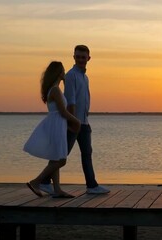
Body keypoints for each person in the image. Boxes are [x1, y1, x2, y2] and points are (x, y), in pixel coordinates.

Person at [40, 45, 110, 194]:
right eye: (77, 56)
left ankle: (92, 186)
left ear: (88, 58)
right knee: (61, 155)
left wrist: (85, 118)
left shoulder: (85, 77)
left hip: (84, 122)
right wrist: (73, 123)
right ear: (74, 57)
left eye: (83, 57)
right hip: (74, 123)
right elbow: (71, 101)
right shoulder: (71, 75)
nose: (80, 59)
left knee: (86, 154)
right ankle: (44, 181)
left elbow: (84, 99)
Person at [24, 61, 81, 198]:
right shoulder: (55, 90)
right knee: (61, 160)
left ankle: (57, 189)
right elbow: (62, 111)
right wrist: (76, 121)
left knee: (56, 157)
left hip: (57, 124)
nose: (64, 73)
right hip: (56, 124)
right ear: (58, 73)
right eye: (63, 70)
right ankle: (36, 181)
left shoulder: (55, 88)